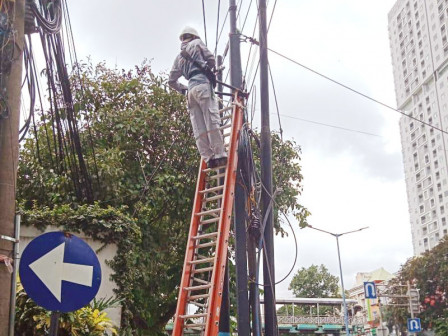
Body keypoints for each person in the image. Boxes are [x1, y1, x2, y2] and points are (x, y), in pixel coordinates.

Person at [168, 26, 227, 168]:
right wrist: (210, 69)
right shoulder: (197, 43)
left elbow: (171, 81)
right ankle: (219, 154)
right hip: (203, 87)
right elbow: (211, 59)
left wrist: (184, 91)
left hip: (190, 92)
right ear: (194, 36)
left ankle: (208, 158)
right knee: (211, 119)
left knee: (198, 126)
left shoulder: (179, 57)